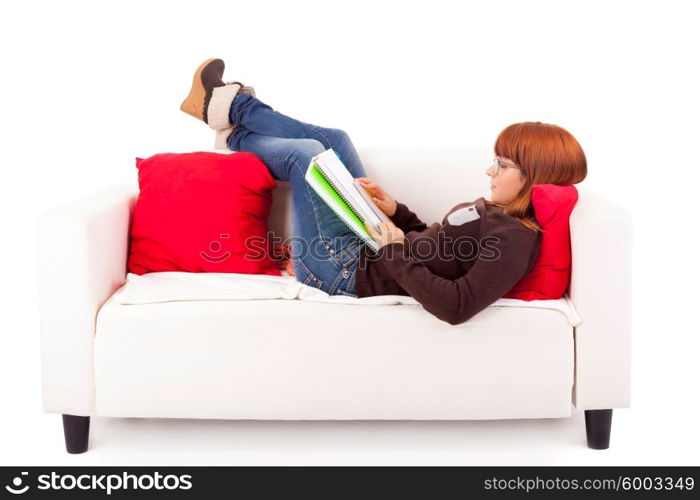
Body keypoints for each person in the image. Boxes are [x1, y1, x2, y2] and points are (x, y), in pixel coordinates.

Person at [180, 58, 587, 325]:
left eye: (502, 164)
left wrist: (393, 249)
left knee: (305, 156)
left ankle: (233, 120)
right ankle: (235, 126)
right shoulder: (498, 211)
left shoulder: (514, 236)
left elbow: (457, 305)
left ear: (534, 174)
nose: (489, 170)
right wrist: (396, 211)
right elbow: (441, 246)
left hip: (340, 272)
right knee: (336, 140)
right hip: (371, 242)